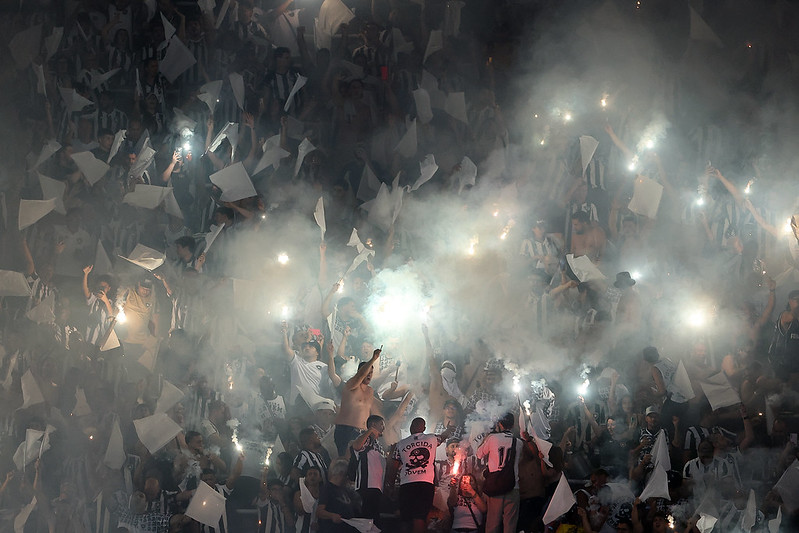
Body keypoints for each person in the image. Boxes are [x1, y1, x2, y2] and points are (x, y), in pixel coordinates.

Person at [387, 417, 450, 533]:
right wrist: (449, 430)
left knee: (406, 518)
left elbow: (394, 466)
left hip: (406, 484)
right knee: (419, 517)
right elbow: (443, 436)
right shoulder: (431, 438)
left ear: (411, 427)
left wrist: (390, 485)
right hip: (424, 483)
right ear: (424, 428)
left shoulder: (401, 444)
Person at [476, 412, 523, 533]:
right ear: (513, 425)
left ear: (499, 423)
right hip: (513, 486)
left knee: (492, 524)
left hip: (495, 486)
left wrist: (487, 437)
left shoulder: (493, 438)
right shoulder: (519, 442)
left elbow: (479, 454)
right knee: (510, 525)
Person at [334, 347, 382, 456]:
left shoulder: (370, 391)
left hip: (363, 432)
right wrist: (373, 359)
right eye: (367, 372)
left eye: (371, 372)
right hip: (346, 430)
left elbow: (374, 411)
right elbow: (360, 375)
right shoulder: (351, 385)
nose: (369, 375)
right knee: (346, 461)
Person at [349, 414, 386, 524]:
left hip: (377, 488)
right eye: (381, 424)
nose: (383, 427)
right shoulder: (365, 439)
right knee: (366, 520)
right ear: (373, 425)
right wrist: (370, 431)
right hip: (366, 487)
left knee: (374, 521)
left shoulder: (378, 444)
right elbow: (356, 446)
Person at [316, 459, 362, 533]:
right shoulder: (327, 489)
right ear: (341, 474)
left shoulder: (344, 490)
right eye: (346, 475)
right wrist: (332, 515)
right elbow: (319, 511)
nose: (347, 478)